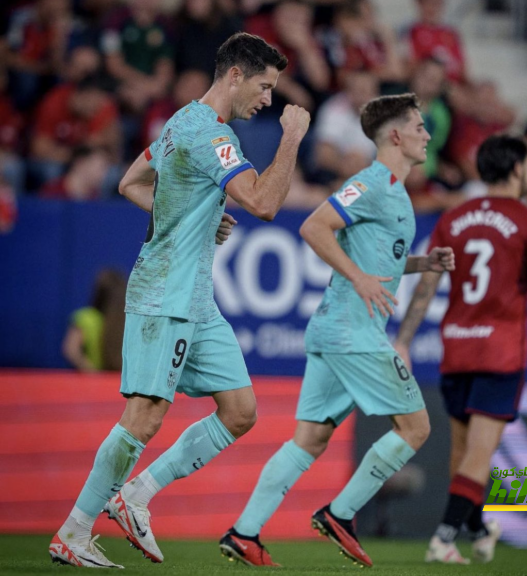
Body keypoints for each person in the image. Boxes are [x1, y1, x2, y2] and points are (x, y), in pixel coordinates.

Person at [48, 32, 310, 568]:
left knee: (239, 412)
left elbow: (130, 182)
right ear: (235, 75)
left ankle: (136, 496)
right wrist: (291, 139)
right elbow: (261, 203)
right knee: (143, 418)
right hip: (165, 293)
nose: (267, 100)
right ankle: (73, 532)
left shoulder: (177, 124)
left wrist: (195, 217)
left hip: (196, 298)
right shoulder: (213, 136)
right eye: (263, 87)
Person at [217, 94, 455, 567]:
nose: (427, 135)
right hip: (353, 332)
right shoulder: (371, 183)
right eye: (419, 126)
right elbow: (313, 227)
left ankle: (244, 533)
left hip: (336, 331)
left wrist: (420, 264)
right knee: (416, 427)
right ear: (395, 135)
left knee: (308, 441)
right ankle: (342, 514)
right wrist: (359, 278)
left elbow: (375, 262)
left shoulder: (393, 190)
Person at [394, 135, 527, 564]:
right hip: (499, 352)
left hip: (457, 348)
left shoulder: (454, 218)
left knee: (463, 451)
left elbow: (428, 281)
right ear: (518, 169)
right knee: (480, 454)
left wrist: (406, 340)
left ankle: (476, 528)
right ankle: (445, 537)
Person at [62, 269, 127, 372]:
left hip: (92, 383)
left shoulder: (85, 317)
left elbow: (71, 351)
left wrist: (92, 372)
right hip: (118, 381)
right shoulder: (127, 320)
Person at [39, 145, 111, 201]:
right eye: (101, 167)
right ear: (80, 164)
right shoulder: (51, 193)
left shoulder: (97, 198)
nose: (104, 174)